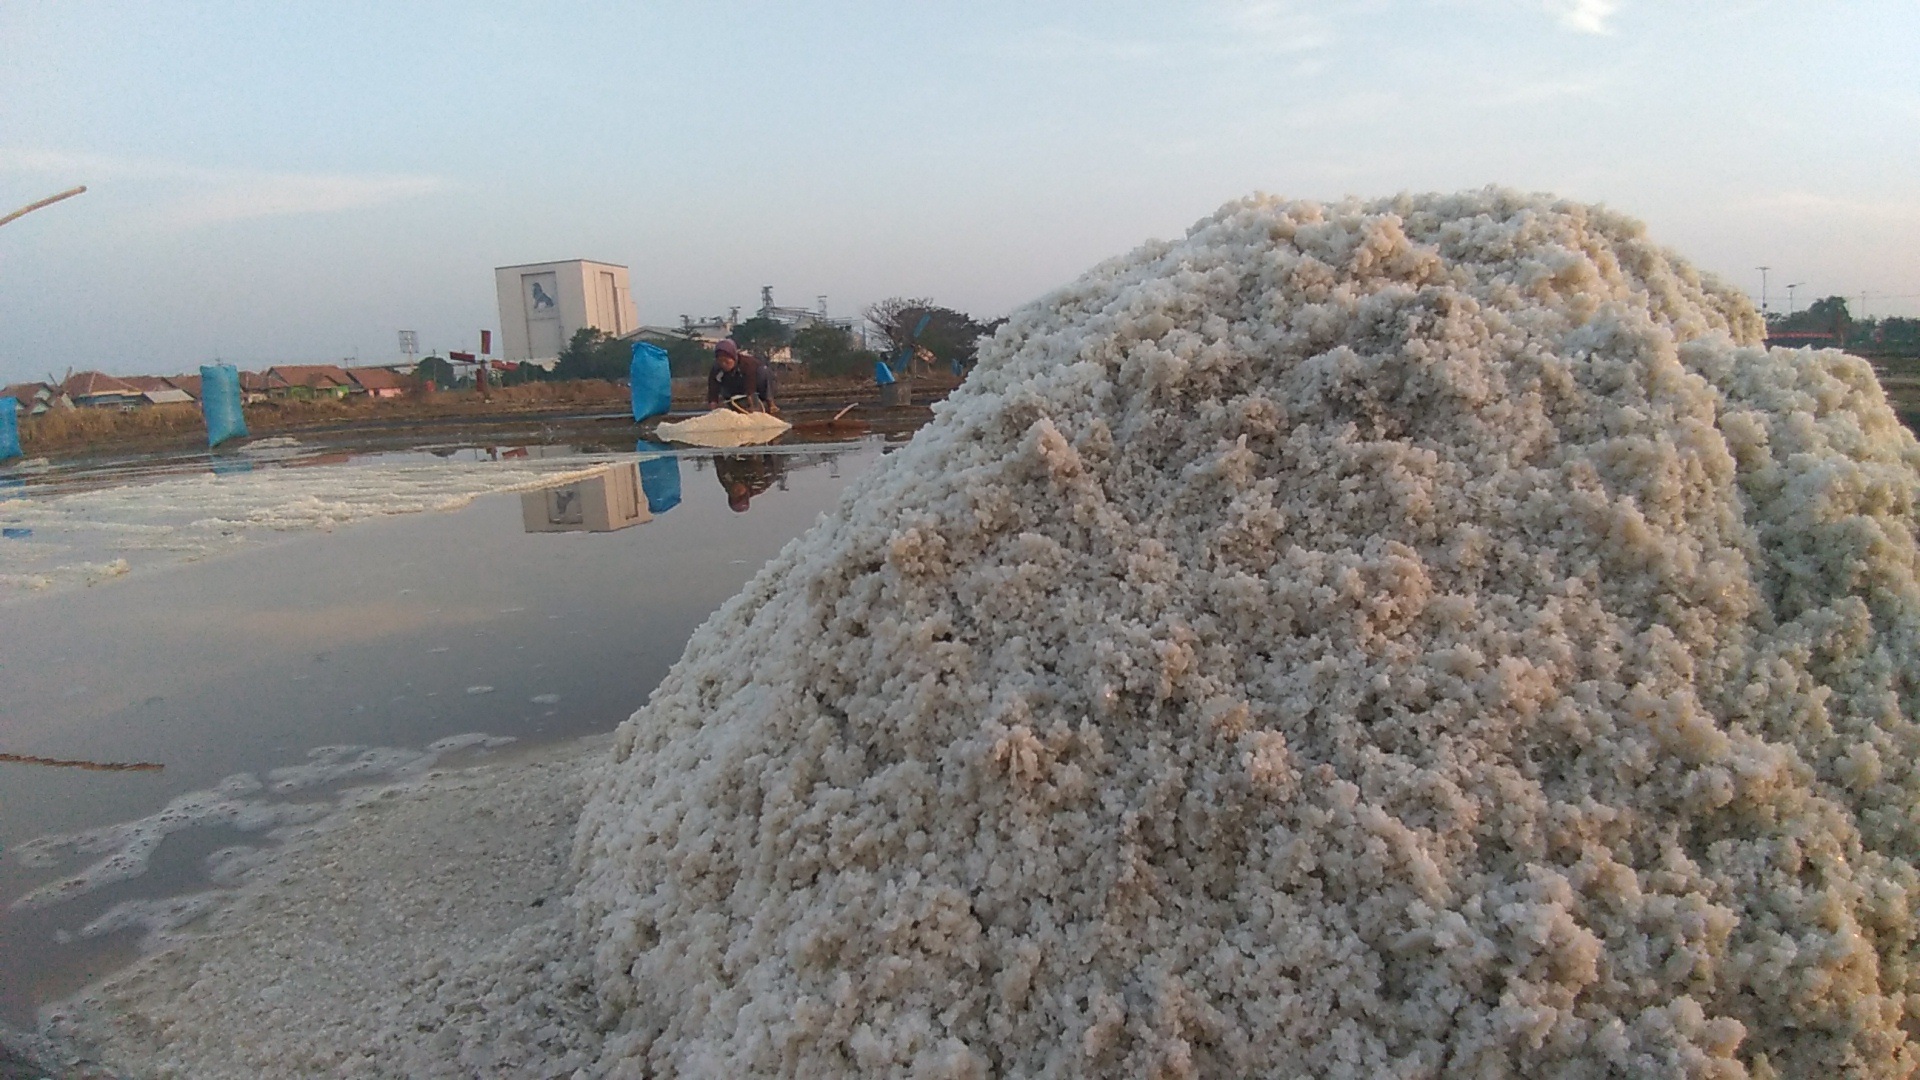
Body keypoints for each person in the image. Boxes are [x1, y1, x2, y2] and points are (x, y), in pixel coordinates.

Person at [706, 338, 777, 412]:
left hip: (755, 388)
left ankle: (771, 404)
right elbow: (712, 390)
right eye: (720, 361)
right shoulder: (717, 369)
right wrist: (713, 410)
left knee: (764, 371)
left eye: (726, 361)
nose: (723, 364)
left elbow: (750, 385)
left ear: (734, 357)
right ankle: (737, 407)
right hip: (736, 390)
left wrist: (752, 405)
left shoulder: (747, 364)